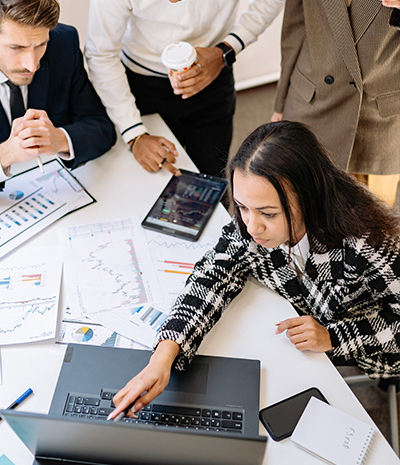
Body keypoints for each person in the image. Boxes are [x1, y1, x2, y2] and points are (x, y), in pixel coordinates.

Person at [108, 120, 400, 420]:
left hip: (371, 351)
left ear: (309, 198)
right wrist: (163, 356)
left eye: (268, 214)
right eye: (242, 207)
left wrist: (334, 337)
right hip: (305, 331)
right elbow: (213, 274)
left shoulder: (369, 242)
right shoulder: (253, 219)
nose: (251, 226)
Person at [0, 0, 116, 205]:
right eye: (16, 47)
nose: (32, 64)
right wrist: (6, 154)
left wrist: (59, 139)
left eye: (41, 45)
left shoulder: (64, 43)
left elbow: (101, 127)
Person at [85, 0, 284, 179]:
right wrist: (134, 134)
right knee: (154, 180)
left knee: (214, 180)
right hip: (142, 85)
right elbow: (101, 53)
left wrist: (227, 49)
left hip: (214, 73)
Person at [271, 0, 400, 205]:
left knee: (367, 220)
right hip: (311, 100)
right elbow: (294, 26)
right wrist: (281, 102)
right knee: (303, 206)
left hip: (377, 118)